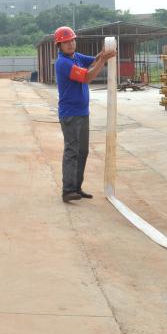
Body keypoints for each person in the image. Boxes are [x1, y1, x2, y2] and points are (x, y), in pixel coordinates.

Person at [53, 26, 115, 203]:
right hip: (70, 115)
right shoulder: (63, 63)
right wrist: (103, 60)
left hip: (82, 112)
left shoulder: (76, 57)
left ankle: (77, 188)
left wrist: (102, 53)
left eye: (72, 40)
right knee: (72, 151)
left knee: (82, 151)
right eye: (66, 42)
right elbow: (87, 77)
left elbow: (93, 60)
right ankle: (67, 190)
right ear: (59, 46)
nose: (70, 44)